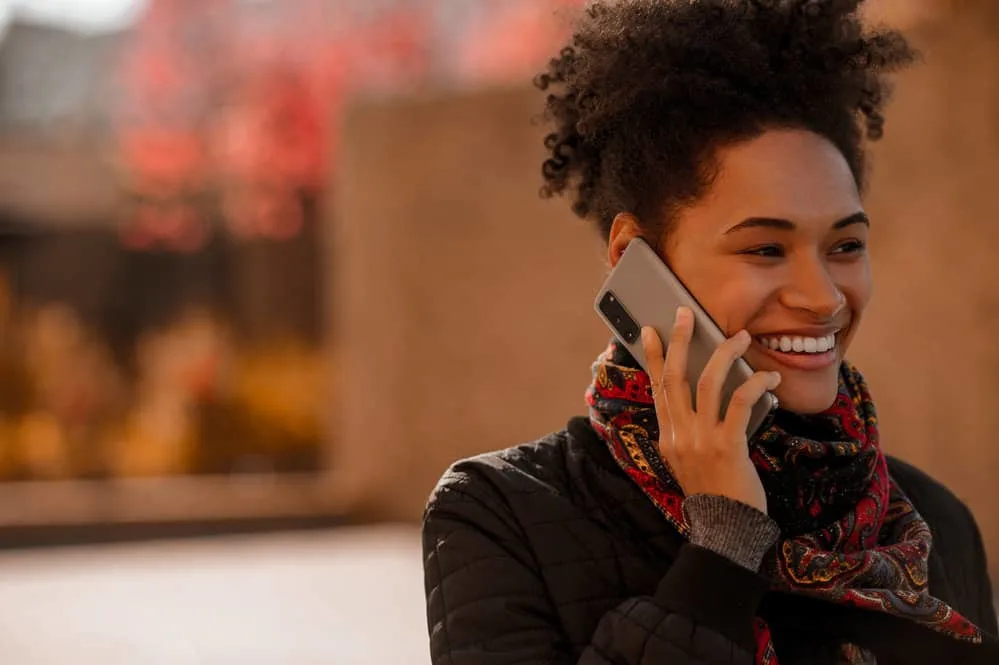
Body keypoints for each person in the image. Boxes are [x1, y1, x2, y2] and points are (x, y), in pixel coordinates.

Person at [421, 1, 999, 664]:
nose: (821, 298)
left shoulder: (932, 521)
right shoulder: (499, 513)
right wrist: (722, 545)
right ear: (632, 255)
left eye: (844, 244)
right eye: (763, 250)